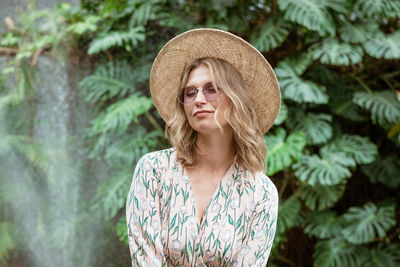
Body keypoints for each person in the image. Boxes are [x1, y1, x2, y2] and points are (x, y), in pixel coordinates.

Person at [126, 28, 281, 267]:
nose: (198, 99)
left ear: (236, 98)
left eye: (212, 89)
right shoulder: (154, 171)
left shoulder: (260, 194)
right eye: (190, 92)